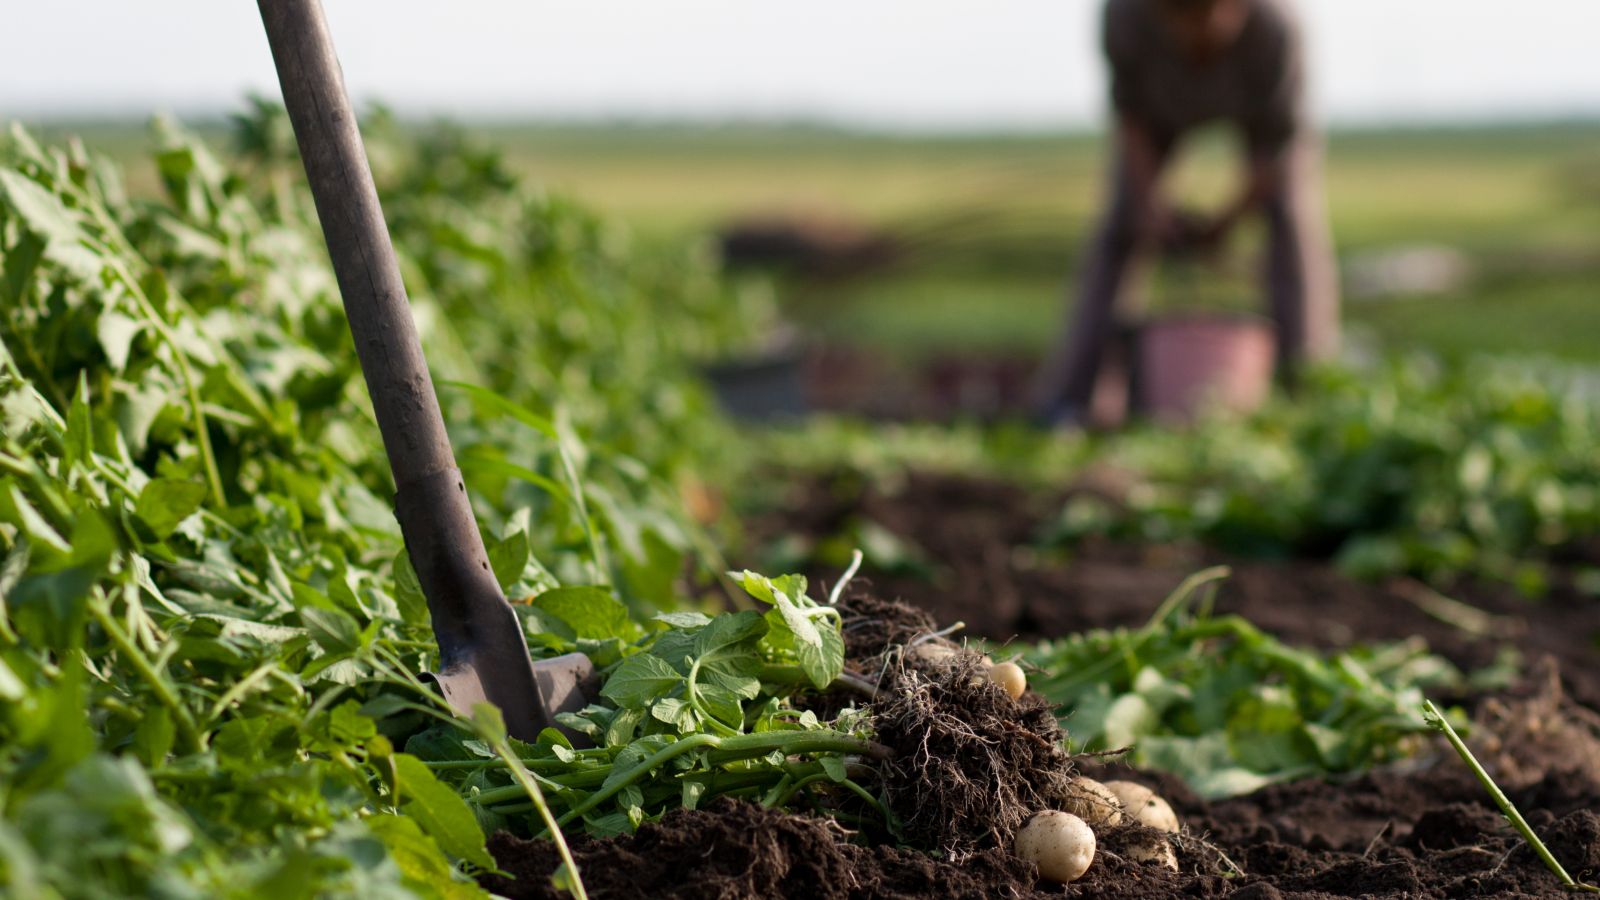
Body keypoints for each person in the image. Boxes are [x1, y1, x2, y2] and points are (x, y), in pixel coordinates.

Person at [1034, 0, 1339, 426]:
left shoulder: (1276, 28)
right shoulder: (1125, 17)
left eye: (1214, 13)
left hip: (1261, 121)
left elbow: (1277, 150)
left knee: (1291, 220)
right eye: (1186, 19)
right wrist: (1150, 203)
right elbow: (1130, 117)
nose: (1202, 30)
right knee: (1121, 226)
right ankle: (1072, 398)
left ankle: (1307, 386)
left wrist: (1227, 221)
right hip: (1158, 111)